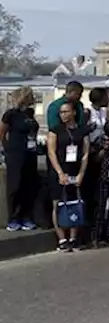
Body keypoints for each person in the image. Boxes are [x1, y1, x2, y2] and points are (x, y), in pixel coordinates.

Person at [47, 100, 90, 251]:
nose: (63, 115)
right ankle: (61, 238)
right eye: (61, 112)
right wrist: (59, 172)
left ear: (73, 113)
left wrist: (81, 174)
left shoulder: (82, 131)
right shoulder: (55, 130)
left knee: (74, 204)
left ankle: (73, 237)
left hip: (75, 169)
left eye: (66, 112)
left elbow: (85, 153)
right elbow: (51, 152)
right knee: (58, 204)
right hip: (59, 170)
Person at [2, 88, 41, 231]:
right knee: (15, 186)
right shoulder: (11, 115)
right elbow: (2, 133)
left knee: (29, 185)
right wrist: (8, 149)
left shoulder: (30, 114)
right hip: (15, 154)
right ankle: (13, 218)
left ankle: (27, 217)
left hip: (30, 153)